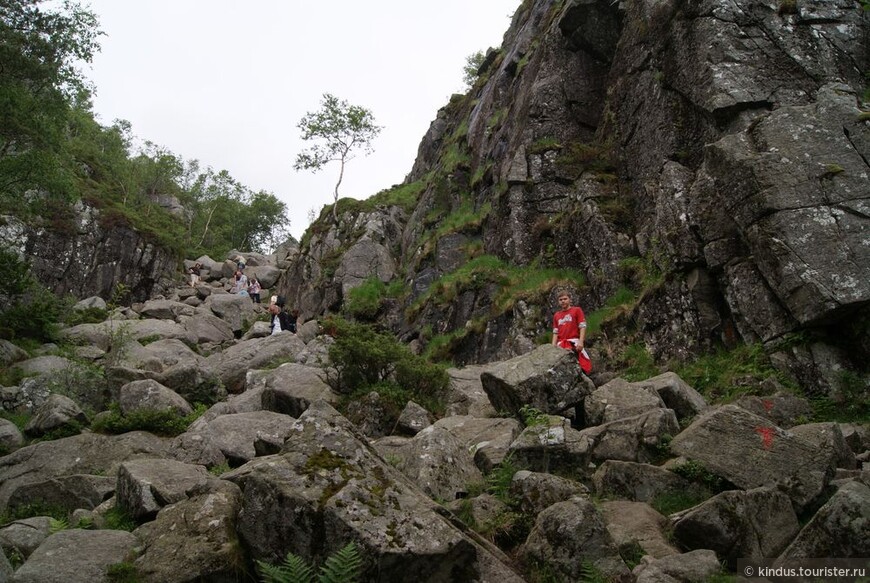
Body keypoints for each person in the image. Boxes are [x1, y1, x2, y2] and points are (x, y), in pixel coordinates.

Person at [552, 289, 592, 374]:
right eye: (560, 300)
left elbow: (582, 326)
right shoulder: (556, 315)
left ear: (570, 299)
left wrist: (581, 342)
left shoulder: (577, 310)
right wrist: (553, 347)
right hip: (561, 345)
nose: (563, 301)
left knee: (580, 366)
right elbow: (555, 332)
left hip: (574, 342)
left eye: (565, 299)